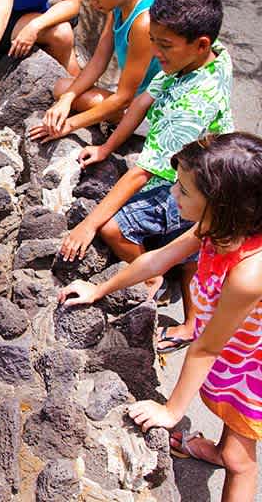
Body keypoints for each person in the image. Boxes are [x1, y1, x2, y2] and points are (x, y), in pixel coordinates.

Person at [59, 132, 262, 501]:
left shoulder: (250, 273)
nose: (172, 194)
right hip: (234, 351)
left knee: (241, 461)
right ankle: (219, 449)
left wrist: (171, 411)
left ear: (223, 205)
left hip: (251, 366)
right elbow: (158, 259)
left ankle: (228, 456)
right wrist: (99, 289)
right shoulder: (215, 228)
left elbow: (206, 348)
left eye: (184, 190)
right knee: (232, 429)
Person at [60, 0, 233, 352]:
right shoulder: (210, 55)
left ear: (200, 43)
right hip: (201, 175)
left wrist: (87, 226)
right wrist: (106, 147)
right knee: (189, 247)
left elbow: (142, 172)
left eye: (164, 45)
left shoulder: (190, 107)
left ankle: (155, 283)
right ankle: (184, 303)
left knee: (114, 228)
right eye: (154, 40)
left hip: (193, 184)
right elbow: (141, 101)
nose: (155, 52)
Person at [28, 0, 162, 142]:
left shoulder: (144, 22)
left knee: (71, 93)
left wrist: (69, 125)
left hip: (149, 112)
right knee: (63, 89)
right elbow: (98, 62)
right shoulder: (119, 5)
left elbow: (124, 97)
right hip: (132, 100)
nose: (93, 3)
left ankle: (123, 128)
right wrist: (66, 100)